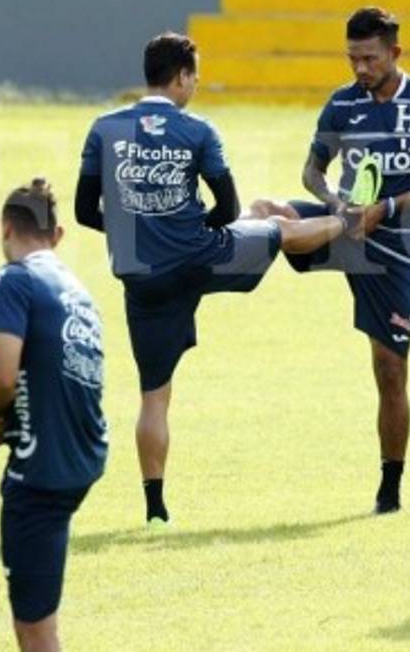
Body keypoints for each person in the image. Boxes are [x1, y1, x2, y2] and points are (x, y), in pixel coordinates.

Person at [74, 32, 344, 524]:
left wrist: (139, 227)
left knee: (154, 395)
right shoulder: (197, 130)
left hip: (141, 276)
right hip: (200, 257)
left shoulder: (104, 128)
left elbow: (82, 211)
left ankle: (155, 506)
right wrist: (192, 231)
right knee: (278, 229)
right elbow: (226, 207)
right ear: (181, 76)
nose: (195, 85)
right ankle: (358, 220)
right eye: (194, 76)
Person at [252, 7, 410, 515]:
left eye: (369, 58)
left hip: (395, 248)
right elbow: (312, 171)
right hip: (344, 225)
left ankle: (390, 487)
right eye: (352, 58)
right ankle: (203, 264)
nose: (359, 69)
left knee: (390, 369)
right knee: (266, 213)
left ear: (395, 52)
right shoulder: (342, 104)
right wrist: (334, 200)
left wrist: (387, 207)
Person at [0, 179, 106, 651]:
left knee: (34, 627)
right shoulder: (77, 289)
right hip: (80, 459)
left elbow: (5, 375)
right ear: (58, 234)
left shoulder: (15, 278)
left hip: (40, 476)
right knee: (40, 618)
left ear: (4, 228)